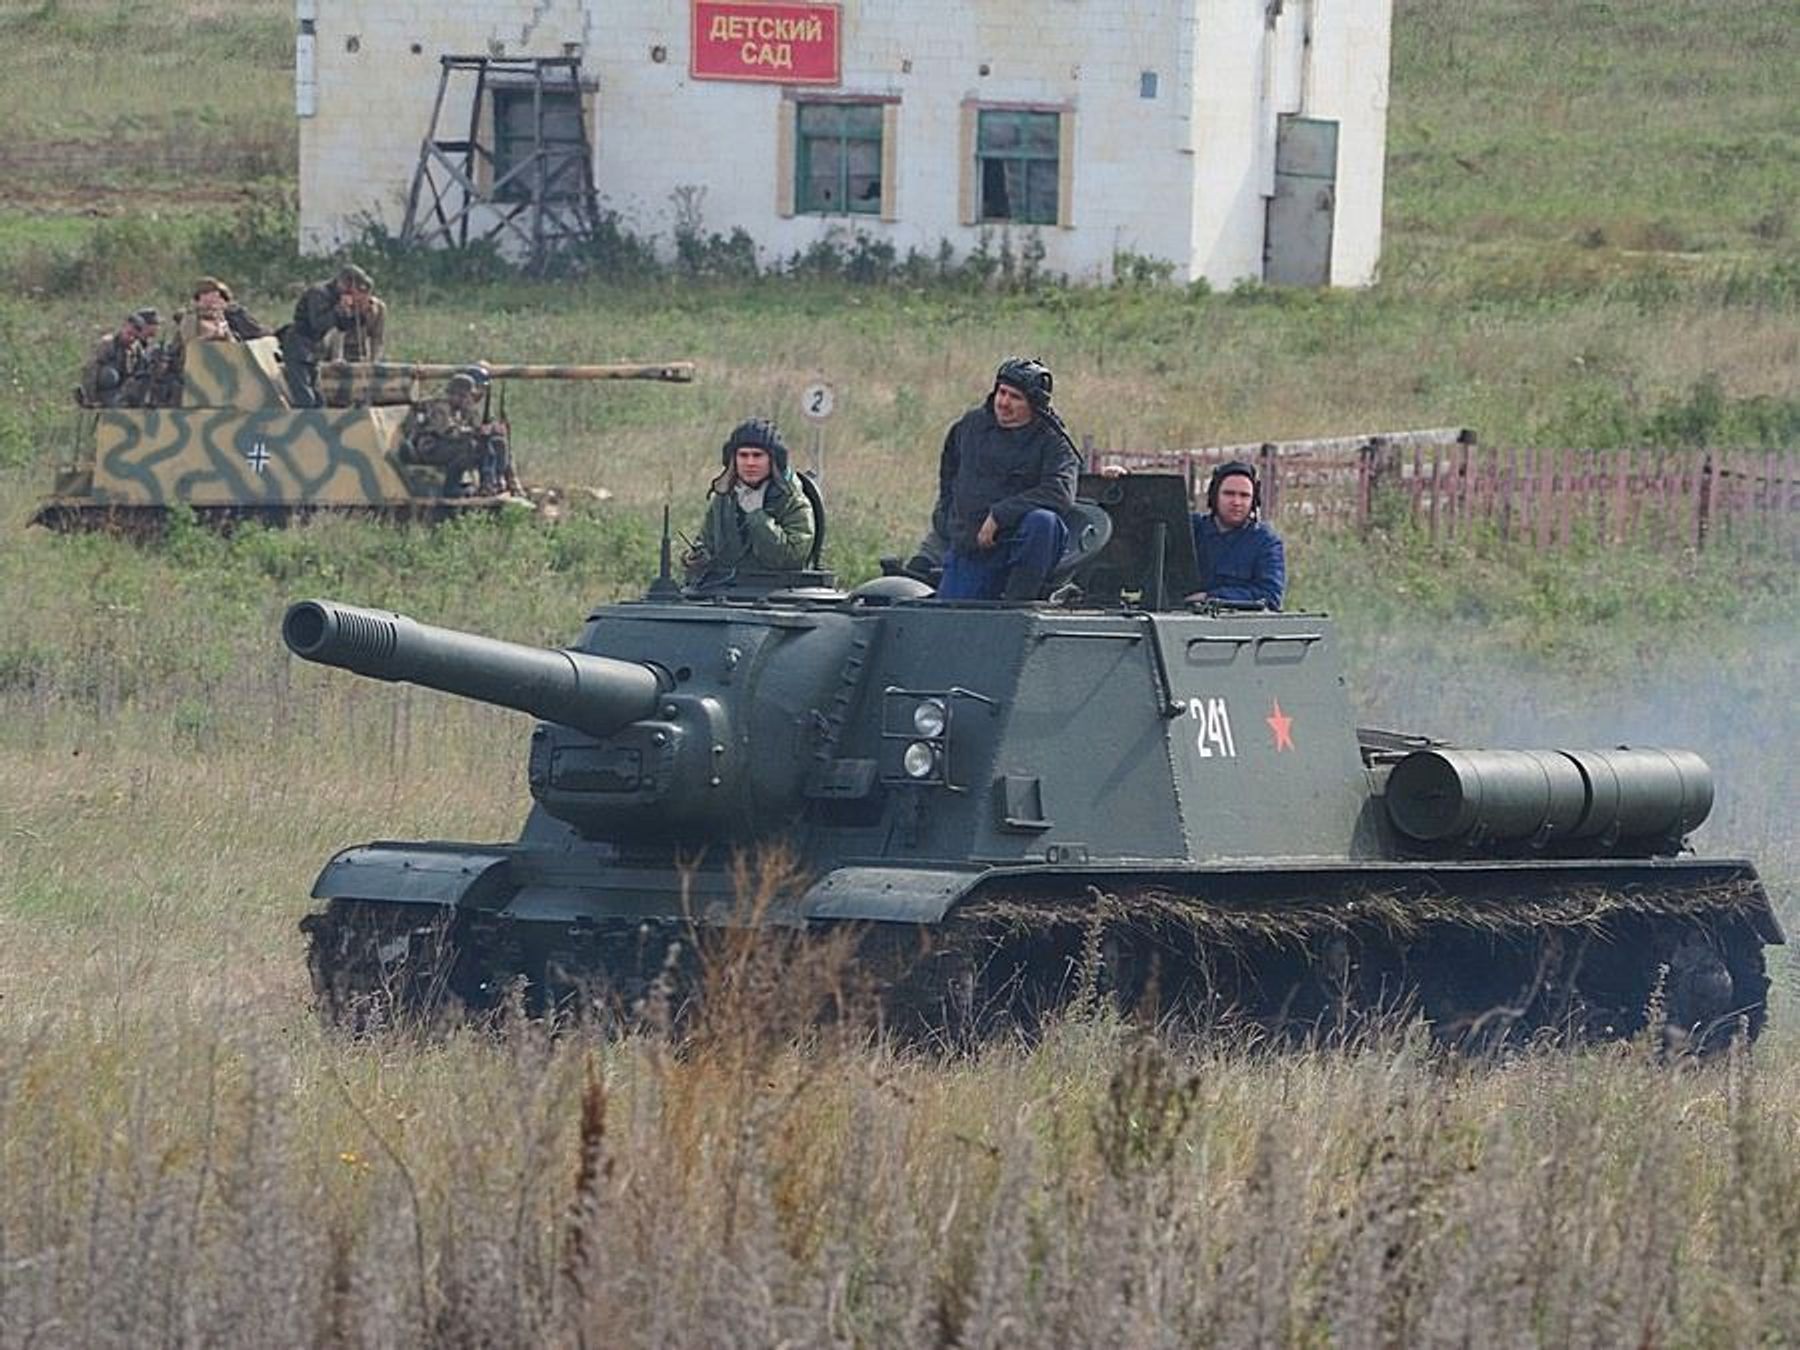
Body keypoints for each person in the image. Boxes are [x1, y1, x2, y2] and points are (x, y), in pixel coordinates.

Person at [932, 357, 1080, 601]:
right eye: (1002, 392)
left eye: (1015, 397)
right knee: (950, 620)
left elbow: (1060, 492)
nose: (1004, 403)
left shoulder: (1053, 441)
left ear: (1034, 404)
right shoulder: (971, 426)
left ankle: (1017, 603)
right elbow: (949, 472)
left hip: (1018, 544)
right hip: (972, 547)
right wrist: (952, 519)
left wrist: (1000, 514)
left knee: (1044, 522)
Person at [685, 418, 816, 581]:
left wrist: (757, 515)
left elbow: (792, 559)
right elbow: (706, 542)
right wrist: (697, 557)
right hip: (724, 591)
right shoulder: (724, 500)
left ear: (773, 460)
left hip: (776, 592)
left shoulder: (793, 502)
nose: (750, 463)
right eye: (743, 455)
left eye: (757, 455)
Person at [1188, 460, 1286, 609]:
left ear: (1254, 501)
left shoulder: (1265, 543)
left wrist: (1211, 597)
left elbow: (1270, 596)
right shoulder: (1191, 530)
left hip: (1239, 627)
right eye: (1229, 494)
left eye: (1244, 496)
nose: (1236, 502)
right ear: (1214, 496)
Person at [400, 370, 515, 496]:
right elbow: (449, 432)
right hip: (431, 448)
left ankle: (492, 483)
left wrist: (490, 430)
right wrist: (476, 432)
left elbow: (474, 426)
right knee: (470, 447)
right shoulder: (440, 408)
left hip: (448, 446)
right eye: (465, 396)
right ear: (455, 395)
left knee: (494, 443)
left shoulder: (461, 409)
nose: (469, 399)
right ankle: (451, 487)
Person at [279, 264, 378, 408]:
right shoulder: (319, 293)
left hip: (314, 350)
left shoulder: (337, 297)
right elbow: (317, 323)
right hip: (299, 346)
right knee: (305, 399)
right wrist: (338, 309)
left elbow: (342, 326)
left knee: (319, 400)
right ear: (343, 282)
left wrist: (360, 313)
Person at [77, 308, 159, 407]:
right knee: (110, 374)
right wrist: (91, 398)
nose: (131, 339)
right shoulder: (107, 344)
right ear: (123, 327)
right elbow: (91, 371)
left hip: (122, 392)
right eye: (129, 334)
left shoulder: (137, 349)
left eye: (135, 337)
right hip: (104, 390)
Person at [323, 291, 386, 363]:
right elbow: (338, 332)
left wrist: (375, 361)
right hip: (331, 347)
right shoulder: (341, 304)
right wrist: (337, 358)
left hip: (357, 349)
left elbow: (377, 337)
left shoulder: (378, 308)